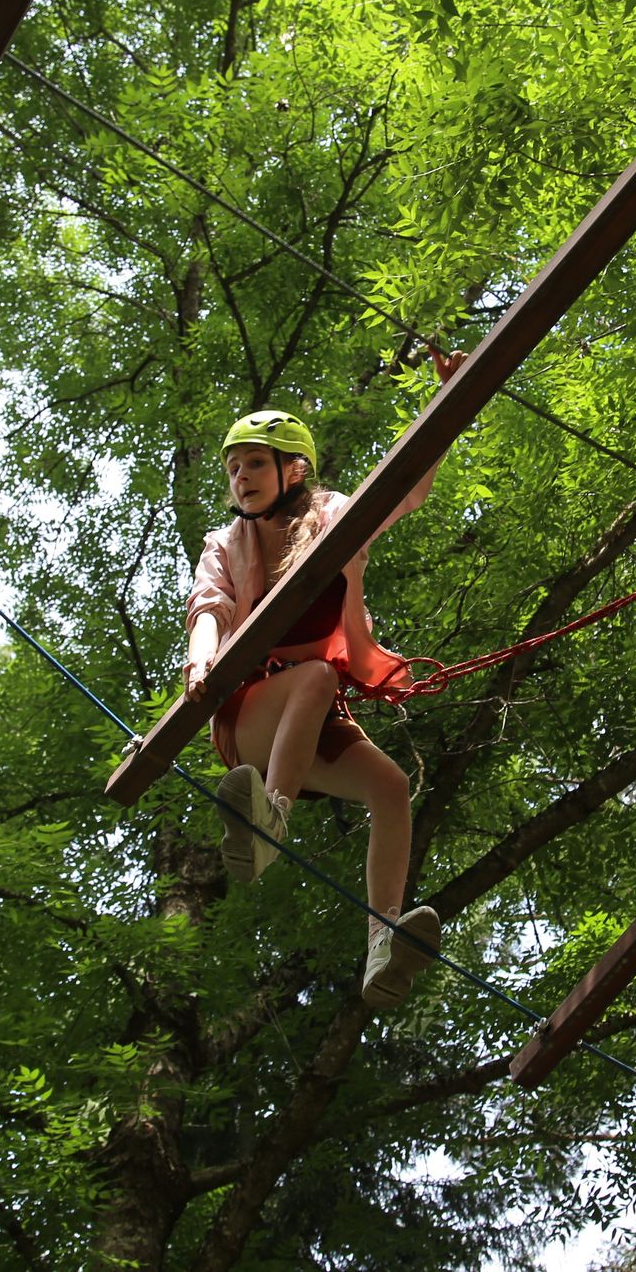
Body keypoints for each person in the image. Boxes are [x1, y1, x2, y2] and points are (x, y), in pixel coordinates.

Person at [183, 348, 462, 1008]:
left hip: (310, 717)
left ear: (295, 468)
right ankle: (268, 823)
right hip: (250, 712)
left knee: (391, 787)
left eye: (254, 462)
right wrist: (200, 660)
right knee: (312, 677)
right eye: (233, 468)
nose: (240, 477)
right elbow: (209, 607)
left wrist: (447, 405)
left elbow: (403, 486)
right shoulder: (226, 544)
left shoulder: (333, 517)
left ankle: (382, 942)